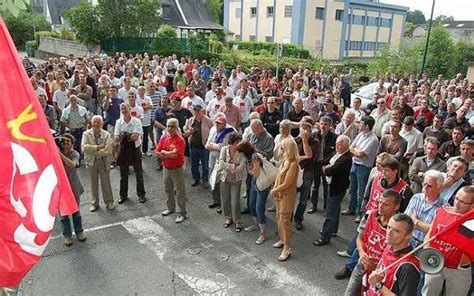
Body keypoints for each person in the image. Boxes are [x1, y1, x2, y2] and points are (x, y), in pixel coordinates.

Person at [344, 190, 402, 295]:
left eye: (386, 204)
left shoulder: (399, 227)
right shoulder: (369, 214)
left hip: (380, 274)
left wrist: (376, 267)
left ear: (396, 207)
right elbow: (360, 238)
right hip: (362, 264)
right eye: (380, 202)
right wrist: (361, 253)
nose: (381, 206)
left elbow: (396, 257)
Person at [422, 186, 473, 296]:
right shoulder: (441, 211)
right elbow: (430, 235)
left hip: (458, 270)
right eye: (456, 198)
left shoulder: (472, 220)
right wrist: (427, 252)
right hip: (435, 263)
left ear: (472, 205)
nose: (457, 203)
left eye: (463, 202)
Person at [367, 213, 420, 295]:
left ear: (408, 235)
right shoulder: (390, 246)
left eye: (396, 231)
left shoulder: (408, 268)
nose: (389, 233)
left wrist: (378, 286)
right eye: (388, 227)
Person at [314, 135, 352, 245]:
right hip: (333, 186)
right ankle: (333, 230)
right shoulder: (337, 153)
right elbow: (325, 162)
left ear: (347, 146)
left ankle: (325, 236)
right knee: (335, 209)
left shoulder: (346, 158)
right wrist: (326, 167)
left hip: (337, 187)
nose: (337, 146)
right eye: (336, 144)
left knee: (330, 212)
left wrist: (326, 169)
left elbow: (330, 170)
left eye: (340, 144)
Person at [344, 116, 379, 222]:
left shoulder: (373, 140)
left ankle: (360, 213)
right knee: (352, 189)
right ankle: (351, 208)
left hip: (364, 167)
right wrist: (355, 150)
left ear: (367, 126)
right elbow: (350, 147)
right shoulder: (360, 135)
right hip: (355, 164)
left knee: (361, 192)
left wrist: (354, 150)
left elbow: (360, 154)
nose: (359, 125)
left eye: (361, 123)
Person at [271, 138, 300, 261]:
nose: (281, 150)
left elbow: (288, 183)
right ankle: (282, 240)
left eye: (283, 148)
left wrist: (275, 190)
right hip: (280, 195)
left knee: (285, 221)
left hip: (287, 196)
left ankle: (287, 248)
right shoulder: (285, 160)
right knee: (279, 218)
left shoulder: (293, 164)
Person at [114, 103, 147, 204]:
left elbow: (136, 136)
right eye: (122, 108)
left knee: (138, 173)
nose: (123, 110)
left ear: (129, 109)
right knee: (123, 175)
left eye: (125, 108)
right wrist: (128, 135)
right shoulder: (118, 122)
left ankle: (141, 194)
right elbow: (116, 138)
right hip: (123, 150)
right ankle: (123, 195)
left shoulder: (136, 121)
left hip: (135, 149)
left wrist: (123, 135)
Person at [81, 115, 115, 212]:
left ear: (102, 124)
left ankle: (109, 202)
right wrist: (98, 147)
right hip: (91, 161)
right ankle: (94, 203)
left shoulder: (107, 134)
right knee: (93, 183)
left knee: (106, 182)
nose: (96, 124)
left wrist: (94, 150)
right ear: (91, 123)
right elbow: (84, 147)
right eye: (94, 122)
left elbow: (108, 149)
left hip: (104, 161)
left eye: (98, 122)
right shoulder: (86, 134)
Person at [156, 118, 187, 223]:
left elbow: (175, 155)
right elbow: (157, 151)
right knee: (168, 189)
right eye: (168, 126)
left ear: (177, 127)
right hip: (166, 168)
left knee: (179, 191)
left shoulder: (180, 140)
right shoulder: (164, 138)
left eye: (172, 126)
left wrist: (164, 153)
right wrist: (167, 154)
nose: (169, 128)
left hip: (176, 169)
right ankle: (170, 208)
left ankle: (182, 212)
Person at [59, 134, 86, 246]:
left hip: (73, 186)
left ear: (72, 143)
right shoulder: (54, 153)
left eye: (68, 141)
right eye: (63, 141)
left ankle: (79, 232)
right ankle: (67, 235)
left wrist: (59, 154)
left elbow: (73, 165)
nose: (65, 143)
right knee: (63, 213)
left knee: (75, 210)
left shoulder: (75, 154)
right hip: (60, 187)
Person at [206, 115, 236, 212]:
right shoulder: (213, 129)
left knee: (223, 184)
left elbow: (224, 147)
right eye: (216, 122)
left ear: (224, 123)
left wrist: (213, 146)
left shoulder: (230, 131)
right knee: (213, 182)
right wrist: (214, 146)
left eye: (219, 123)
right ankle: (215, 201)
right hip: (212, 160)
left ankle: (224, 204)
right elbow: (207, 144)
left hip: (222, 161)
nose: (217, 124)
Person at [218, 132, 246, 232]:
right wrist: (233, 166)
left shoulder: (242, 153)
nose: (239, 144)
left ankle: (237, 221)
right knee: (225, 200)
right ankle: (228, 218)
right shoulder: (224, 150)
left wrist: (228, 166)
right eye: (237, 142)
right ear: (232, 143)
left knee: (235, 202)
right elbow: (220, 164)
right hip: (224, 179)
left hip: (236, 180)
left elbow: (241, 168)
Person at [293, 121, 318, 230]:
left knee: (303, 200)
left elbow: (309, 155)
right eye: (301, 130)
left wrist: (304, 140)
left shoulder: (315, 142)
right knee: (291, 198)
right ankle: (287, 219)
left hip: (307, 172)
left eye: (305, 130)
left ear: (310, 131)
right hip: (295, 171)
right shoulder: (294, 141)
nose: (303, 132)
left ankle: (298, 219)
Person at [309, 116, 337, 213]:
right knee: (315, 186)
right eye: (321, 124)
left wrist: (326, 162)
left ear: (330, 126)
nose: (323, 126)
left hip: (326, 165)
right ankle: (313, 205)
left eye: (325, 124)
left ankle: (326, 207)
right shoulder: (314, 135)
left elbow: (334, 152)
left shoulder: (334, 137)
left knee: (326, 187)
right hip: (316, 164)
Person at [184, 105, 213, 187]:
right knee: (194, 165)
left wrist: (209, 142)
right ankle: (196, 179)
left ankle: (205, 180)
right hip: (193, 147)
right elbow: (185, 132)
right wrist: (189, 131)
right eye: (195, 111)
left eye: (198, 111)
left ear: (202, 111)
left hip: (204, 147)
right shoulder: (190, 120)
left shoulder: (208, 120)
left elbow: (213, 132)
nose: (197, 112)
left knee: (205, 165)